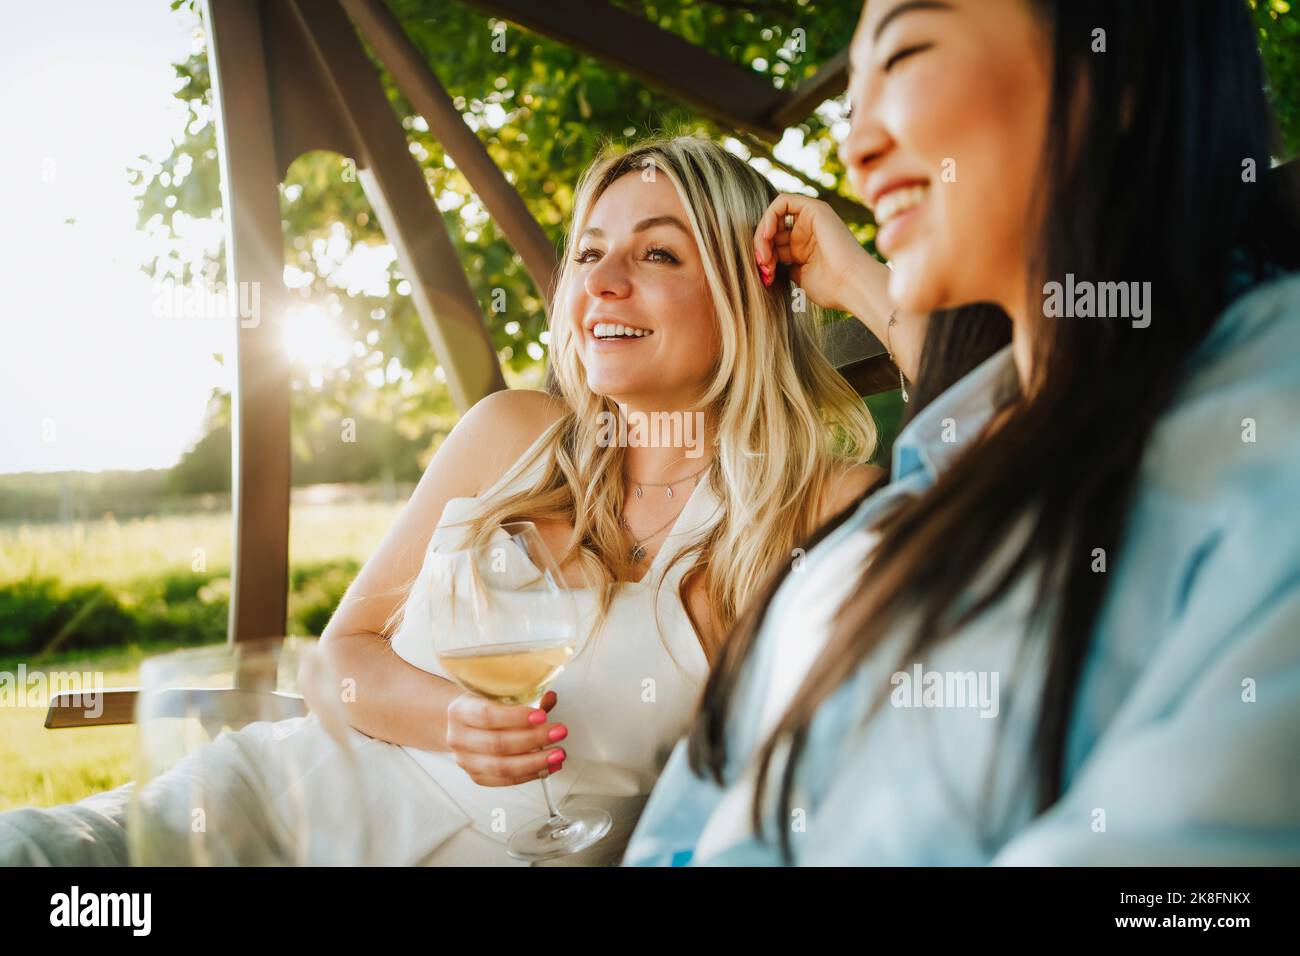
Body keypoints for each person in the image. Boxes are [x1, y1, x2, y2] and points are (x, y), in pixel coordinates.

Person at [0, 134, 882, 866]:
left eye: (657, 252)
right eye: (587, 253)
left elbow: (980, 487)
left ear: (749, 289)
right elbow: (341, 660)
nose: (602, 281)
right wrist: (453, 721)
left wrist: (854, 281)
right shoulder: (512, 432)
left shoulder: (807, 511)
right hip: (260, 809)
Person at [623, 0, 1300, 866]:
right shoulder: (923, 489)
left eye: (905, 55)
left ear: (1114, 64)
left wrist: (859, 278)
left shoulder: (1256, 437)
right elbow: (690, 823)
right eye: (852, 95)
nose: (856, 144)